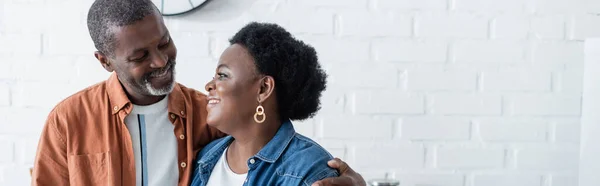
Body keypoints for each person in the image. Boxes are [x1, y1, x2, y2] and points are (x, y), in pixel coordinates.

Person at [30, 0, 365, 186]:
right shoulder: (68, 121)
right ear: (105, 62)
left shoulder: (207, 118)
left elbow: (269, 142)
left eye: (164, 43)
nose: (161, 61)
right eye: (140, 56)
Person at [190, 22, 336, 186]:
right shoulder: (206, 157)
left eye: (222, 75)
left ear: (263, 89)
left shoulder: (309, 171)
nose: (209, 85)